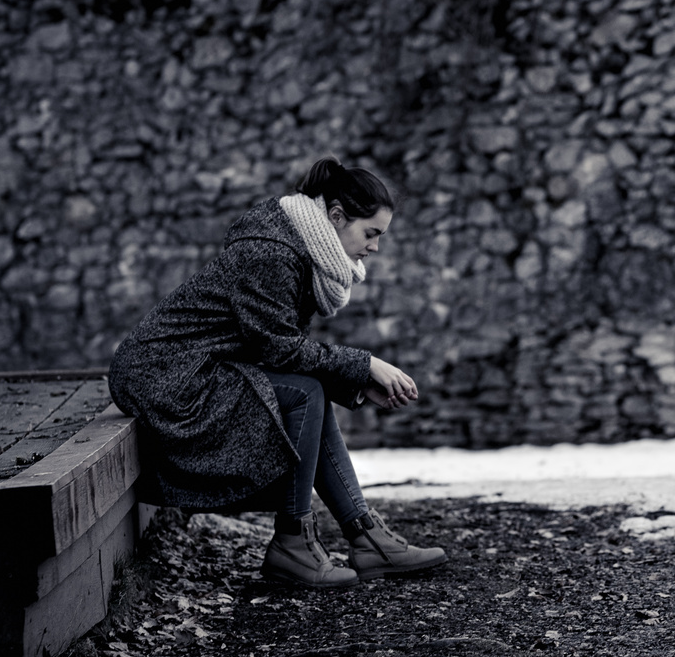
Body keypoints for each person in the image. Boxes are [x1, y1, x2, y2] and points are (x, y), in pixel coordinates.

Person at [109, 156, 445, 589]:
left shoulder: (298, 245)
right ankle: (295, 542)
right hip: (163, 377)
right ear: (337, 216)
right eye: (371, 233)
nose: (375, 248)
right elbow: (279, 348)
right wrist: (366, 366)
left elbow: (279, 349)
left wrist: (356, 386)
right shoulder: (272, 251)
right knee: (303, 394)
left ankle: (366, 537)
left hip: (196, 368)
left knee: (308, 391)